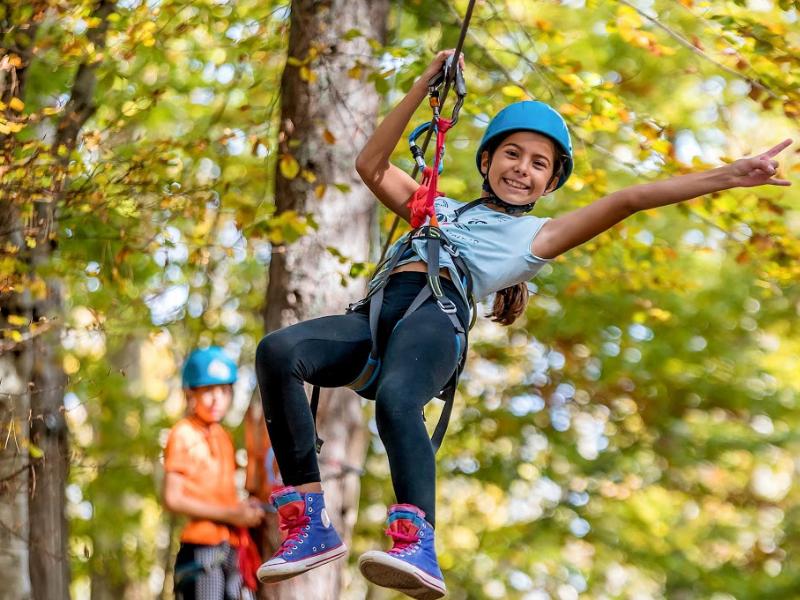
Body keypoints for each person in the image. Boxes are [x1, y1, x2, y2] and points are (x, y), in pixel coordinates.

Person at [254, 49, 792, 599]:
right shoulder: (438, 209)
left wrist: (728, 175)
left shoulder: (535, 238)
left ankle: (416, 541)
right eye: (512, 154)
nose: (522, 168)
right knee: (278, 352)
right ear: (486, 163)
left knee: (398, 400)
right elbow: (370, 165)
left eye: (539, 163)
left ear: (550, 181)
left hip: (434, 321)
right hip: (372, 321)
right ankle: (309, 522)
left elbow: (630, 199)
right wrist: (423, 87)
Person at [164, 346, 267, 600]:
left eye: (223, 390)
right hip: (202, 549)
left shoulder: (223, 437)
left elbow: (220, 493)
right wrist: (232, 515)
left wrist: (243, 507)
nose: (216, 399)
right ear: (191, 393)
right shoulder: (183, 434)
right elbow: (172, 498)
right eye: (208, 390)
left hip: (232, 547)